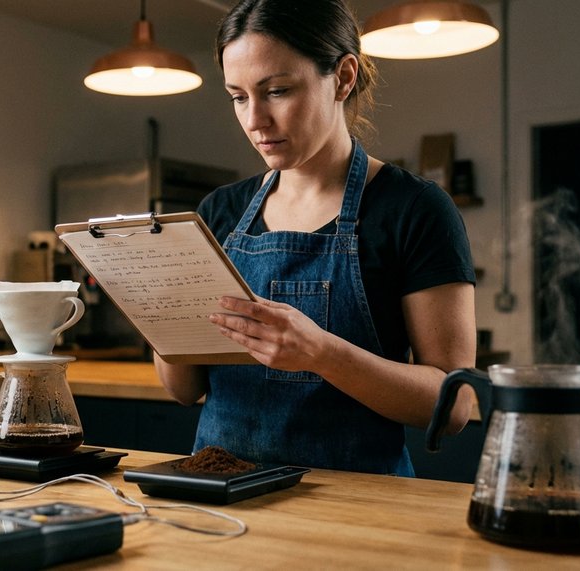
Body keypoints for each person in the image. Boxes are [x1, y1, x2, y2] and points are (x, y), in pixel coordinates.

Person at [155, 0, 477, 476]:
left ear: (343, 78)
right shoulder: (219, 212)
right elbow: (184, 390)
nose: (254, 120)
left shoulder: (414, 209)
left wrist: (322, 354)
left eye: (277, 91)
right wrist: (159, 310)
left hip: (358, 510)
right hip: (222, 496)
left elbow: (453, 407)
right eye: (238, 97)